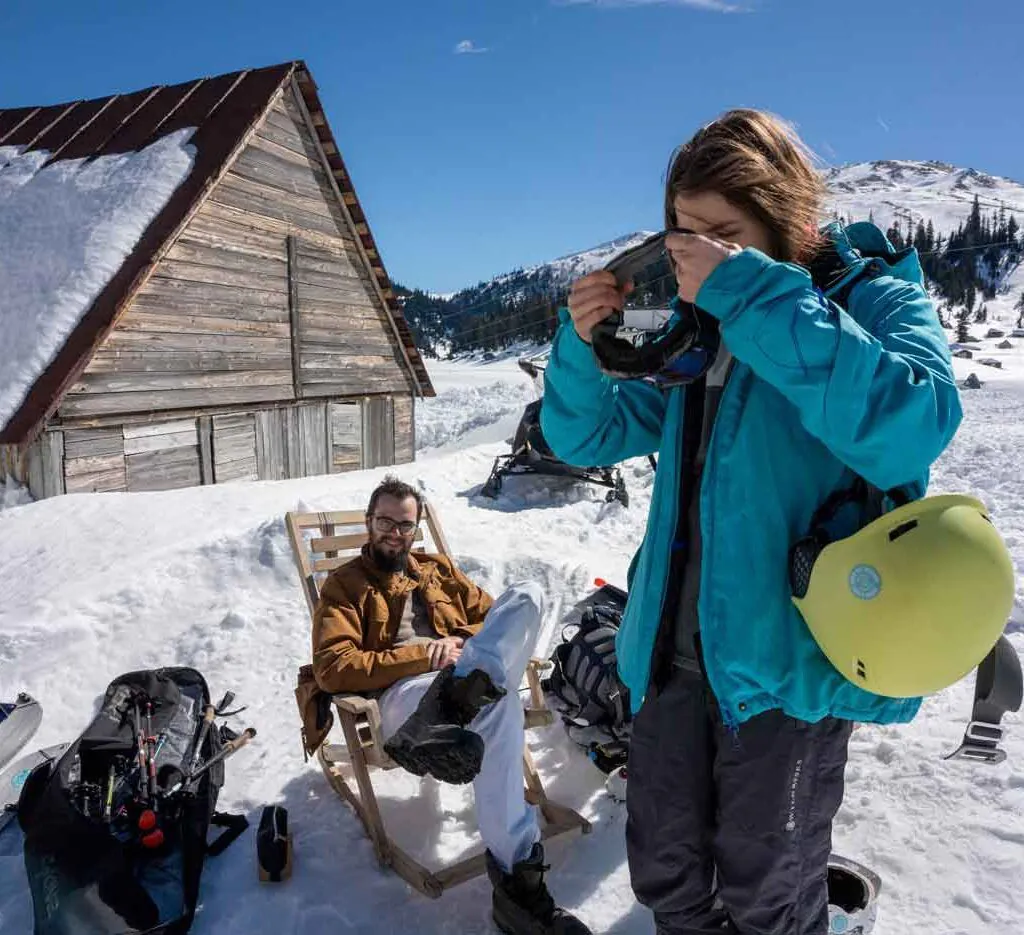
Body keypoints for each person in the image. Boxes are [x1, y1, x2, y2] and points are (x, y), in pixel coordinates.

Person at [540, 109, 962, 934]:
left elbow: (917, 422)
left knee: (768, 892)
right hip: (669, 659)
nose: (697, 252)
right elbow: (583, 433)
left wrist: (752, 294)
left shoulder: (871, 298)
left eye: (723, 232)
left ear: (788, 225)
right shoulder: (698, 331)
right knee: (666, 874)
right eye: (683, 232)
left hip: (784, 673)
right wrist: (580, 344)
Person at [311, 476, 591, 935]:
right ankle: (520, 891)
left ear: (415, 529)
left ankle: (466, 693)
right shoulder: (344, 587)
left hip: (462, 680)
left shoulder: (435, 570)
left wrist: (461, 643)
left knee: (527, 595)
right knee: (497, 707)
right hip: (405, 698)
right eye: (385, 522)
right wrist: (424, 653)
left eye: (405, 525)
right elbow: (334, 667)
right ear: (369, 522)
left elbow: (495, 617)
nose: (395, 533)